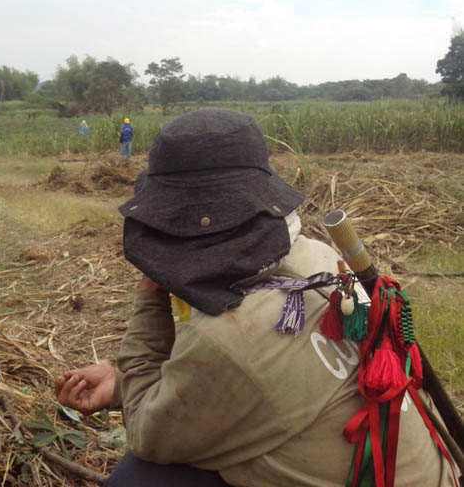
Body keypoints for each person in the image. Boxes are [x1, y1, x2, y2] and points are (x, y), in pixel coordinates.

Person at [55, 109, 458, 486]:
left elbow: (146, 432)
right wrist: (125, 382)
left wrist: (149, 293)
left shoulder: (228, 340)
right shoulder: (319, 256)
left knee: (138, 476)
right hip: (431, 473)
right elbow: (262, 378)